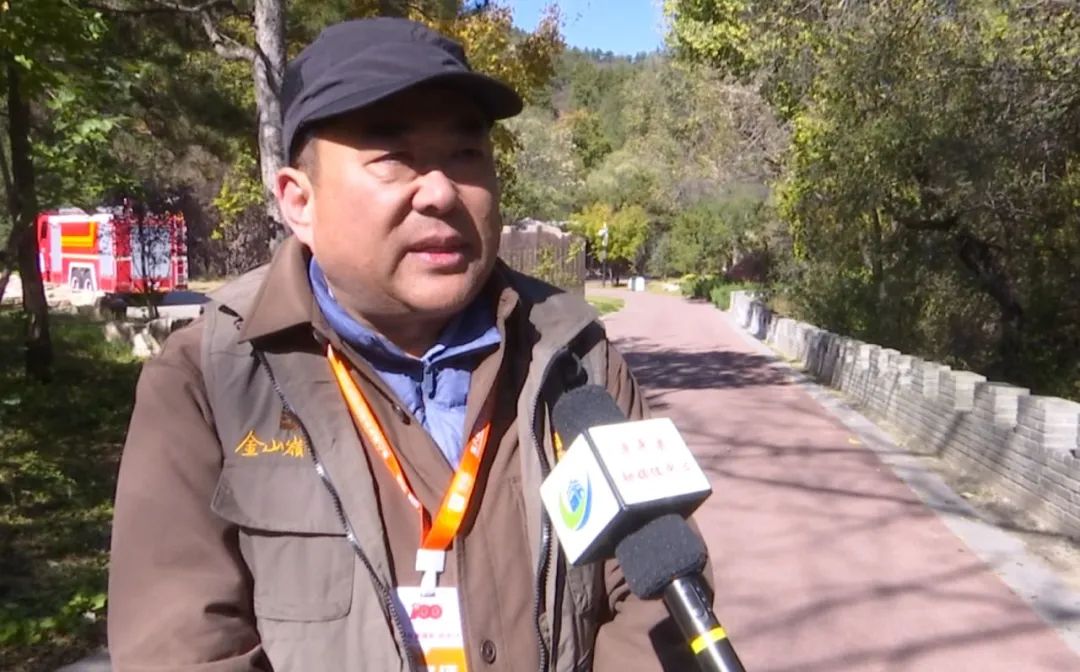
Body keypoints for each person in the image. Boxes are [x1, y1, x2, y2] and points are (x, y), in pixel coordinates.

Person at [107, 17, 704, 672]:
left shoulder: (572, 355)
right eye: (392, 157)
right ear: (299, 202)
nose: (442, 192)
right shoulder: (209, 379)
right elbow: (184, 650)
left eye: (466, 153)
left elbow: (656, 605)